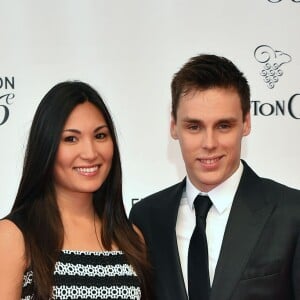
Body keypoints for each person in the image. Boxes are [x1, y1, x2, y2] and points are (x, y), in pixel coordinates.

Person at [130, 54, 300, 300]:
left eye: (223, 126)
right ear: (173, 126)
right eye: (194, 127)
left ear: (246, 123)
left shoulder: (291, 214)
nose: (209, 144)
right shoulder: (146, 218)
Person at [0, 81, 152, 299]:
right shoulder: (13, 237)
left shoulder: (131, 238)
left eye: (100, 136)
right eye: (71, 139)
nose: (90, 153)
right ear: (47, 147)